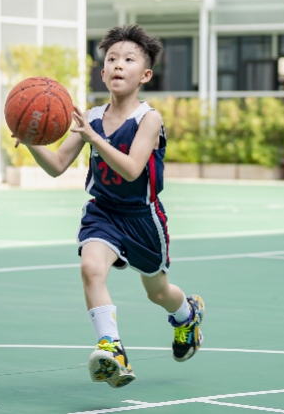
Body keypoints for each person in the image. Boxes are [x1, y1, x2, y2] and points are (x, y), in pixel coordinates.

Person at [21, 25, 205, 388]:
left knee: (157, 292)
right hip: (103, 212)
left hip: (142, 217)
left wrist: (94, 139)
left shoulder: (148, 119)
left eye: (129, 60)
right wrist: (29, 140)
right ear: (102, 73)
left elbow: (133, 168)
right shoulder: (90, 117)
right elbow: (57, 166)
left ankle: (187, 314)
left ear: (145, 75)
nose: (119, 65)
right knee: (91, 268)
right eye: (111, 60)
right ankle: (112, 346)